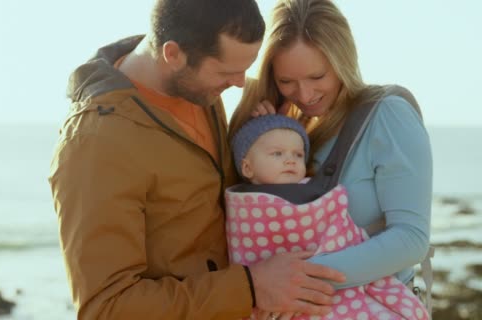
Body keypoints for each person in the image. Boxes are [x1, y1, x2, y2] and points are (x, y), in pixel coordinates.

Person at [48, 0, 345, 319]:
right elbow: (106, 308)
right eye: (227, 71)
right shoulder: (96, 143)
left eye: (245, 68)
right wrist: (250, 287)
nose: (240, 83)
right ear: (173, 54)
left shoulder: (198, 89)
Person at [229, 0, 433, 318]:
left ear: (342, 61)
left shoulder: (387, 114)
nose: (305, 94)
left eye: (317, 76)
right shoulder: (293, 129)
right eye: (286, 81)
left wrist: (295, 280)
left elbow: (411, 239)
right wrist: (264, 136)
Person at [227, 115, 429, 319]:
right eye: (277, 153)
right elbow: (244, 249)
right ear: (247, 168)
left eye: (298, 155)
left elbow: (338, 229)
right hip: (269, 290)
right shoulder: (240, 203)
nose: (290, 160)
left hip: (323, 285)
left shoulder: (315, 194)